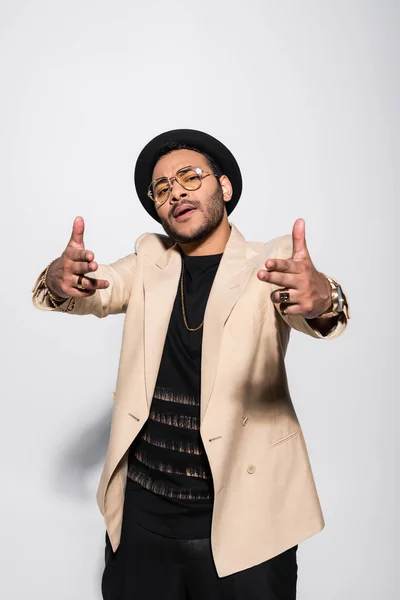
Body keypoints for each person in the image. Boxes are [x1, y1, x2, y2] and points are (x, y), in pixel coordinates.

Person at [32, 129, 350, 600]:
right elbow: (98, 288)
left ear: (224, 188)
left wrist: (322, 296)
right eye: (161, 189)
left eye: (190, 176)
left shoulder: (271, 261)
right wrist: (62, 281)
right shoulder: (148, 258)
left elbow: (314, 307)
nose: (175, 191)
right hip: (142, 525)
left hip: (247, 526)